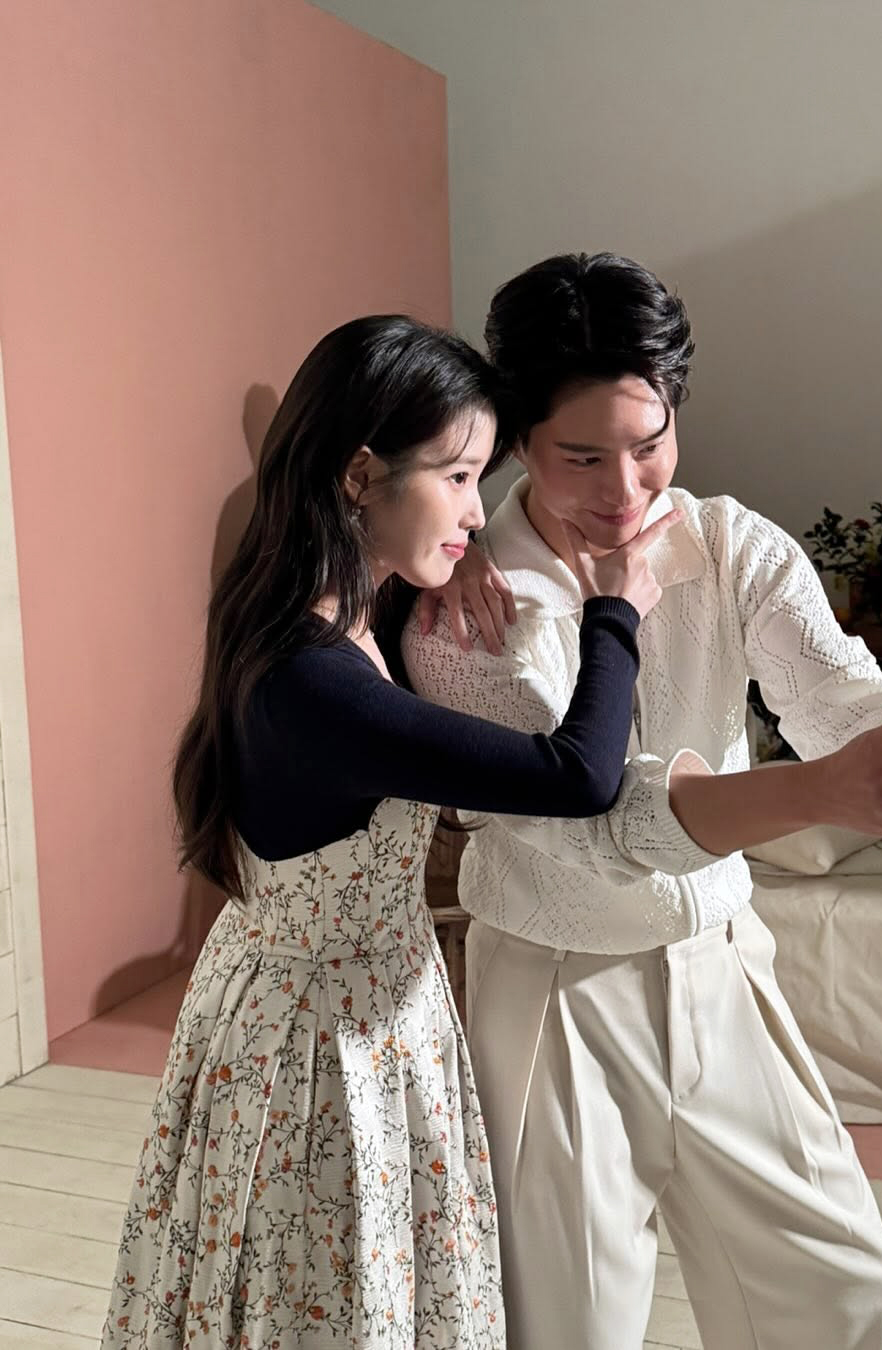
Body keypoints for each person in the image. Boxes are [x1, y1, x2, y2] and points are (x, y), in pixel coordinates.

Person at [403, 254, 882, 1350]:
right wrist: (826, 791)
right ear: (517, 440)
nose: (625, 490)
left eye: (650, 443)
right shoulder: (463, 615)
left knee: (843, 1290)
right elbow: (599, 825)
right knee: (567, 1325)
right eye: (582, 457)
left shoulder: (728, 542)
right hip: (557, 996)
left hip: (723, 967)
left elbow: (834, 693)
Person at [100, 314, 680, 1349]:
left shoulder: (321, 611)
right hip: (323, 1046)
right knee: (326, 1297)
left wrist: (453, 558)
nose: (477, 510)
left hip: (330, 1005)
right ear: (361, 476)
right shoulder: (317, 685)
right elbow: (579, 776)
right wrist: (616, 614)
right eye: (457, 479)